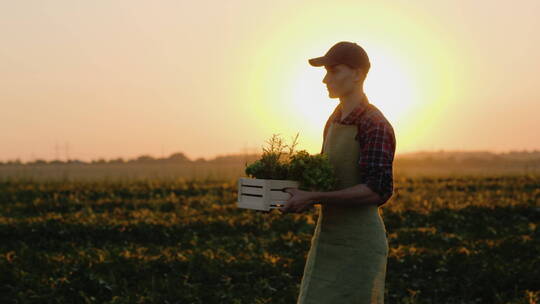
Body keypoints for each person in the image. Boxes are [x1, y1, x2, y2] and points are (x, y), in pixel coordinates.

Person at [280, 41, 396, 303]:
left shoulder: (374, 124)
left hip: (359, 243)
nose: (325, 79)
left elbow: (377, 190)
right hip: (328, 238)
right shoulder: (334, 119)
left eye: (334, 71)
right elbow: (326, 176)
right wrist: (286, 190)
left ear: (357, 74)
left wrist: (313, 197)